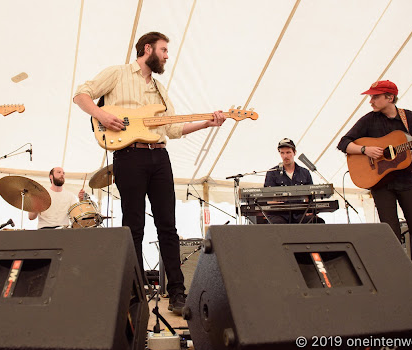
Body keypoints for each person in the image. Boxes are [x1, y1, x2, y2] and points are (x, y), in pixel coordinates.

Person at [73, 32, 226, 315]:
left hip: (160, 157)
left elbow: (173, 129)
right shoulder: (118, 74)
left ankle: (178, 293)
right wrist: (102, 115)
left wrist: (207, 123)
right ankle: (134, 293)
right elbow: (81, 94)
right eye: (164, 50)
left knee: (168, 226)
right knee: (133, 226)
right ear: (148, 49)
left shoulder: (160, 89)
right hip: (129, 156)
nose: (167, 55)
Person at [337, 80, 412, 293]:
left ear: (390, 98)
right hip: (381, 184)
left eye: (375, 97)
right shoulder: (368, 120)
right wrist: (365, 149)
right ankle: (396, 282)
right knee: (390, 234)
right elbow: (344, 143)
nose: (371, 101)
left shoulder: (409, 118)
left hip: (407, 182)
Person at [262, 138, 325, 224]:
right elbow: (268, 199)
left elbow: (310, 197)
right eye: (282, 153)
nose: (285, 156)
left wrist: (310, 211)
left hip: (300, 214)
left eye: (288, 152)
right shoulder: (272, 173)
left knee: (317, 221)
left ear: (294, 152)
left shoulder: (305, 172)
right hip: (279, 214)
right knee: (277, 225)